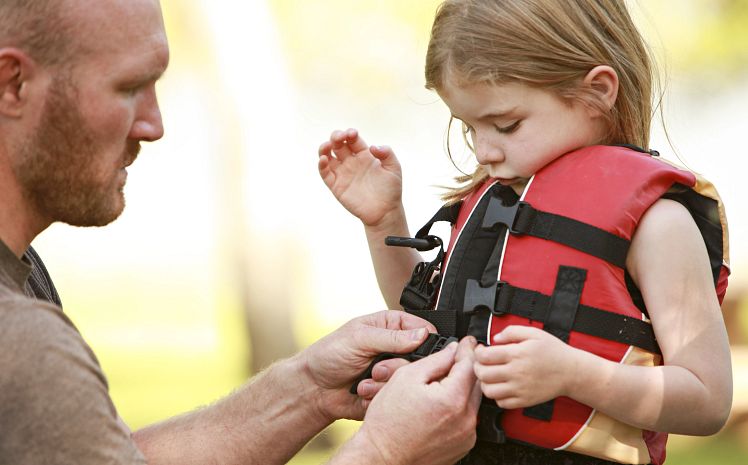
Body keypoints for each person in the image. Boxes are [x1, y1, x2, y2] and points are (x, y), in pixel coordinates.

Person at [0, 0, 482, 463]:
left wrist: (310, 387)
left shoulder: (23, 274)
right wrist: (386, 452)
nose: (155, 125)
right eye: (128, 88)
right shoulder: (22, 341)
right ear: (12, 84)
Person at [318, 1, 732, 464]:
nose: (482, 152)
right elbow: (431, 324)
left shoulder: (658, 225)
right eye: (468, 127)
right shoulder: (492, 205)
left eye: (505, 125)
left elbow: (707, 399)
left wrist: (573, 374)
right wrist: (384, 222)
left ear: (597, 92)